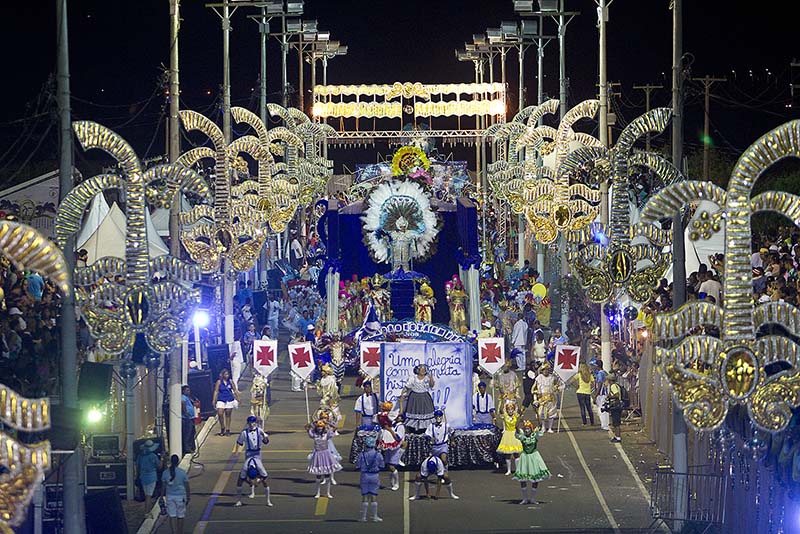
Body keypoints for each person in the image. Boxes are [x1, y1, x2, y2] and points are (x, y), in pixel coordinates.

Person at [234, 415, 273, 507]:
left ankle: (268, 500)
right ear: (248, 423)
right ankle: (239, 500)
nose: (252, 424)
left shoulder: (260, 431)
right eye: (250, 423)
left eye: (253, 422)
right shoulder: (244, 433)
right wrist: (236, 452)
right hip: (248, 455)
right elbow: (239, 443)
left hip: (257, 455)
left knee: (264, 474)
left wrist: (264, 436)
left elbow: (266, 442)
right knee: (243, 473)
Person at [513, 420, 551, 505]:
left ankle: (533, 498)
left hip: (534, 457)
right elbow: (517, 430)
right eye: (525, 429)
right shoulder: (522, 437)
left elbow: (540, 427)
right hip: (525, 458)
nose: (527, 430)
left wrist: (539, 418)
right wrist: (518, 422)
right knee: (523, 478)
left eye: (528, 429)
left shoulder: (535, 436)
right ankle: (525, 498)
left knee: (535, 478)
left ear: (531, 429)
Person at [306, 419, 342, 498]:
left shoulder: (326, 434)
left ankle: (328, 493)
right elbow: (307, 427)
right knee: (318, 476)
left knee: (327, 475)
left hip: (326, 455)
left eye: (321, 427)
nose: (319, 428)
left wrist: (327, 423)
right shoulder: (314, 434)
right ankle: (318, 493)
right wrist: (312, 423)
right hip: (317, 455)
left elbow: (335, 428)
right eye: (318, 427)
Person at [356, 434, 385, 522]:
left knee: (364, 496)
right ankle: (375, 516)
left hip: (364, 475)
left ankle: (363, 517)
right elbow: (382, 465)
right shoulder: (378, 454)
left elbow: (358, 465)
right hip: (375, 475)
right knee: (373, 496)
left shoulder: (362, 454)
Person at [400, 364, 435, 433]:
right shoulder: (413, 378)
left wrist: (431, 378)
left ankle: (424, 430)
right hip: (414, 398)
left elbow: (431, 385)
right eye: (421, 369)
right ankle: (413, 429)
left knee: (424, 413)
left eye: (424, 369)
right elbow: (407, 387)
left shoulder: (427, 378)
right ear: (418, 370)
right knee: (414, 412)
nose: (423, 371)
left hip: (424, 398)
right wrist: (402, 393)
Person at [377, 405, 405, 491]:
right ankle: (392, 483)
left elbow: (398, 438)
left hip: (395, 447)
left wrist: (389, 430)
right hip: (388, 444)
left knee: (392, 466)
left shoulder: (400, 426)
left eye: (400, 417)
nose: (398, 417)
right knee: (389, 466)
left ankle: (396, 483)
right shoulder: (393, 422)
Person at [161, 454, 190, 534]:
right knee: (180, 515)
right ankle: (179, 532)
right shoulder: (182, 472)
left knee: (172, 515)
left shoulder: (165, 473)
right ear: (178, 462)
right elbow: (187, 485)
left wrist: (161, 496)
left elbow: (163, 486)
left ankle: (174, 532)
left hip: (169, 496)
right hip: (181, 496)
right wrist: (188, 496)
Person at [532, 364, 560, 433]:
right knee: (542, 414)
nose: (546, 371)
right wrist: (535, 398)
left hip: (551, 398)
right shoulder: (539, 378)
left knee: (551, 413)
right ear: (542, 371)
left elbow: (557, 385)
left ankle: (550, 428)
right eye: (544, 370)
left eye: (547, 370)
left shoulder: (552, 377)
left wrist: (557, 387)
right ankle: (543, 427)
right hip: (542, 399)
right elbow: (533, 389)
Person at [497, 400, 523, 475]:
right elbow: (501, 410)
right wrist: (502, 401)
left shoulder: (515, 416)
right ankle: (508, 470)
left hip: (514, 434)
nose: (510, 411)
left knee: (516, 453)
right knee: (508, 454)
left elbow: (520, 412)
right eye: (509, 409)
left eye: (512, 409)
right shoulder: (505, 416)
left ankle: (517, 470)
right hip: (507, 435)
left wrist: (517, 403)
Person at [212, 368, 240, 436]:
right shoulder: (219, 382)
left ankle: (227, 429)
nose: (227, 375)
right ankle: (222, 427)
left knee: (228, 414)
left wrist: (238, 398)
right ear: (223, 375)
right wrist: (214, 400)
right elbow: (216, 391)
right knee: (220, 413)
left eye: (228, 374)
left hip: (229, 399)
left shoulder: (230, 381)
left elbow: (235, 390)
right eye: (226, 374)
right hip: (221, 399)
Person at [136, 439, 160, 512]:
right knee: (148, 495)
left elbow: (138, 466)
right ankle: (147, 511)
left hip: (143, 476)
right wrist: (162, 459)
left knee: (146, 494)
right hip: (152, 477)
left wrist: (137, 475)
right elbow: (159, 466)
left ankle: (147, 509)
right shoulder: (153, 456)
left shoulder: (140, 456)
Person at [593, 360, 610, 432]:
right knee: (605, 410)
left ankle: (604, 426)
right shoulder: (604, 372)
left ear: (597, 366)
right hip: (604, 394)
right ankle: (605, 425)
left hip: (601, 395)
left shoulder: (600, 374)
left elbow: (599, 385)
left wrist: (595, 395)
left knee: (601, 410)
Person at [606, 374, 624, 443]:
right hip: (617, 405)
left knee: (616, 423)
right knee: (615, 423)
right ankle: (616, 436)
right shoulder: (616, 385)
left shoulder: (613, 386)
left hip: (615, 406)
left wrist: (609, 397)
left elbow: (616, 395)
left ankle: (618, 437)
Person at [180, 385, 196, 456]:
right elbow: (183, 404)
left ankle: (192, 446)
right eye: (187, 390)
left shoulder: (187, 397)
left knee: (192, 432)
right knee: (188, 433)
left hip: (191, 417)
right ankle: (187, 448)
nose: (188, 392)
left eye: (189, 390)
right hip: (187, 418)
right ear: (183, 391)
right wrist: (186, 414)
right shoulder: (183, 397)